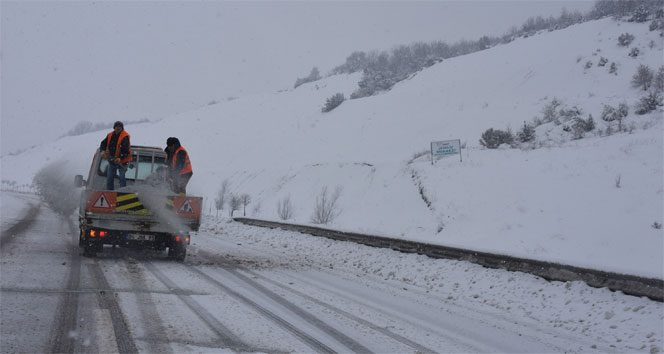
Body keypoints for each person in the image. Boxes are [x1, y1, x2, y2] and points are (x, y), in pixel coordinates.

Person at [100, 121, 132, 190]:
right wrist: (102, 152)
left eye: (119, 127)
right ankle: (109, 192)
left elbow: (125, 150)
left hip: (122, 161)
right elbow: (103, 144)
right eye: (116, 126)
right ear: (114, 127)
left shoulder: (124, 136)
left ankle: (123, 192)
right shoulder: (110, 135)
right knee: (109, 178)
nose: (118, 128)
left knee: (122, 177)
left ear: (122, 128)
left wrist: (120, 158)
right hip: (112, 160)